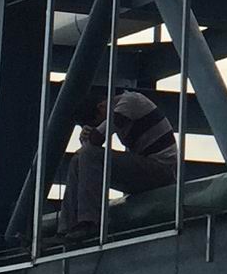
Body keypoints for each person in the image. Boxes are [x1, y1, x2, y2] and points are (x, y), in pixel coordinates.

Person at [61, 82, 178, 236]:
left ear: (101, 107)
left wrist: (88, 136)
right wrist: (86, 140)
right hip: (150, 170)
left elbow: (97, 139)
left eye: (98, 122)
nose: (99, 125)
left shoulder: (131, 101)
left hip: (162, 171)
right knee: (78, 159)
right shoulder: (121, 109)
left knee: (89, 154)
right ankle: (67, 227)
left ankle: (90, 222)